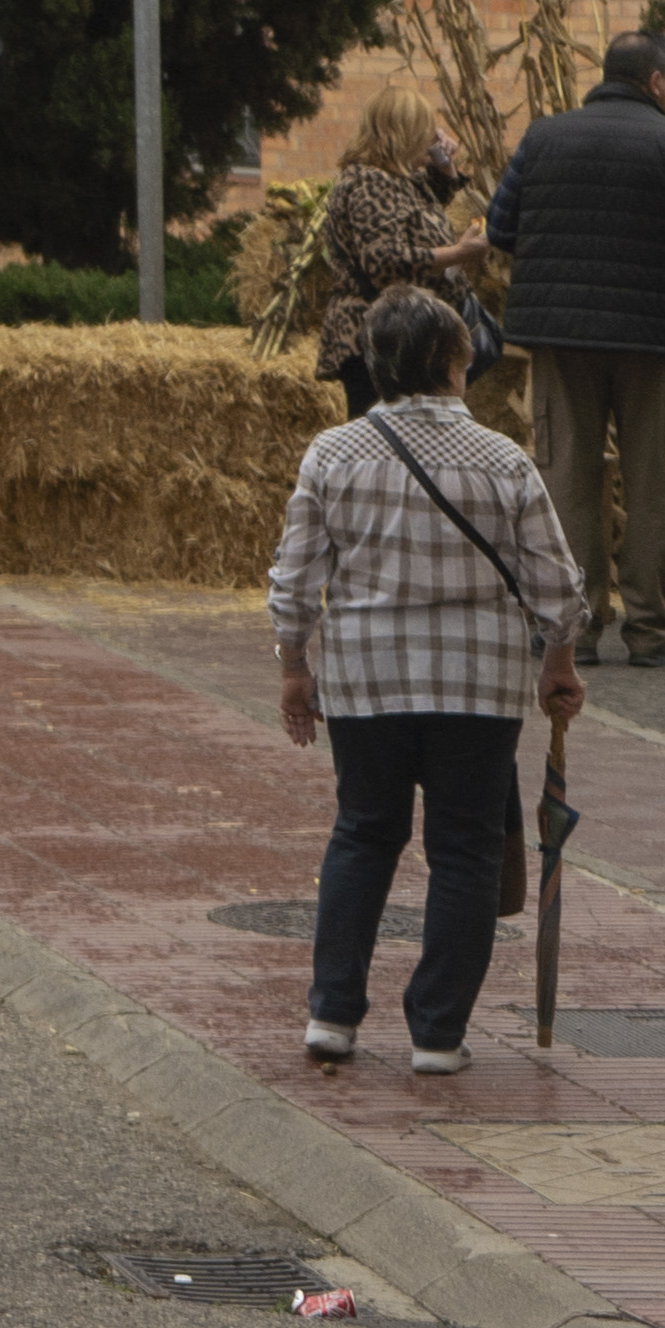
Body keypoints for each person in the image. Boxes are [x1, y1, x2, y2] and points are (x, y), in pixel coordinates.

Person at [270, 286, 586, 1074]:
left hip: (365, 680)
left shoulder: (332, 453)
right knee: (466, 849)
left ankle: (332, 1013)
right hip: (476, 684)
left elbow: (295, 579)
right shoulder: (503, 459)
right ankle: (438, 1032)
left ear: (375, 364)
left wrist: (293, 665)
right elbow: (557, 586)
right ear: (456, 360)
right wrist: (558, 661)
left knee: (363, 832)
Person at [491, 28, 665, 667]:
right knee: (654, 485)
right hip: (657, 341)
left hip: (562, 338)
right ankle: (650, 632)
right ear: (656, 80)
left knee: (568, 481)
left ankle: (575, 630)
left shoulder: (542, 138)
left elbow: (500, 226)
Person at [314, 87, 486, 421]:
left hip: (404, 337)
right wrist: (457, 253)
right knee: (381, 438)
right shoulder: (369, 182)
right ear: (402, 132)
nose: (432, 137)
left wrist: (444, 164)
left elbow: (425, 208)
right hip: (379, 339)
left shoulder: (399, 178)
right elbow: (385, 262)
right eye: (425, 130)